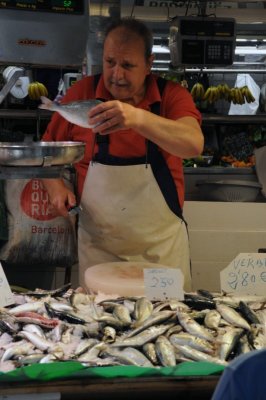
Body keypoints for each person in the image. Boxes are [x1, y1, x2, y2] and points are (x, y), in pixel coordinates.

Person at [41, 18, 204, 291]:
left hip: (160, 251)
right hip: (100, 250)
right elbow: (47, 152)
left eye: (128, 65)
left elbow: (193, 144)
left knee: (163, 324)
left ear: (149, 64)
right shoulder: (82, 94)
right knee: (101, 327)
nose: (116, 75)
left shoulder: (172, 97)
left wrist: (137, 118)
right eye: (109, 62)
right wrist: (54, 186)